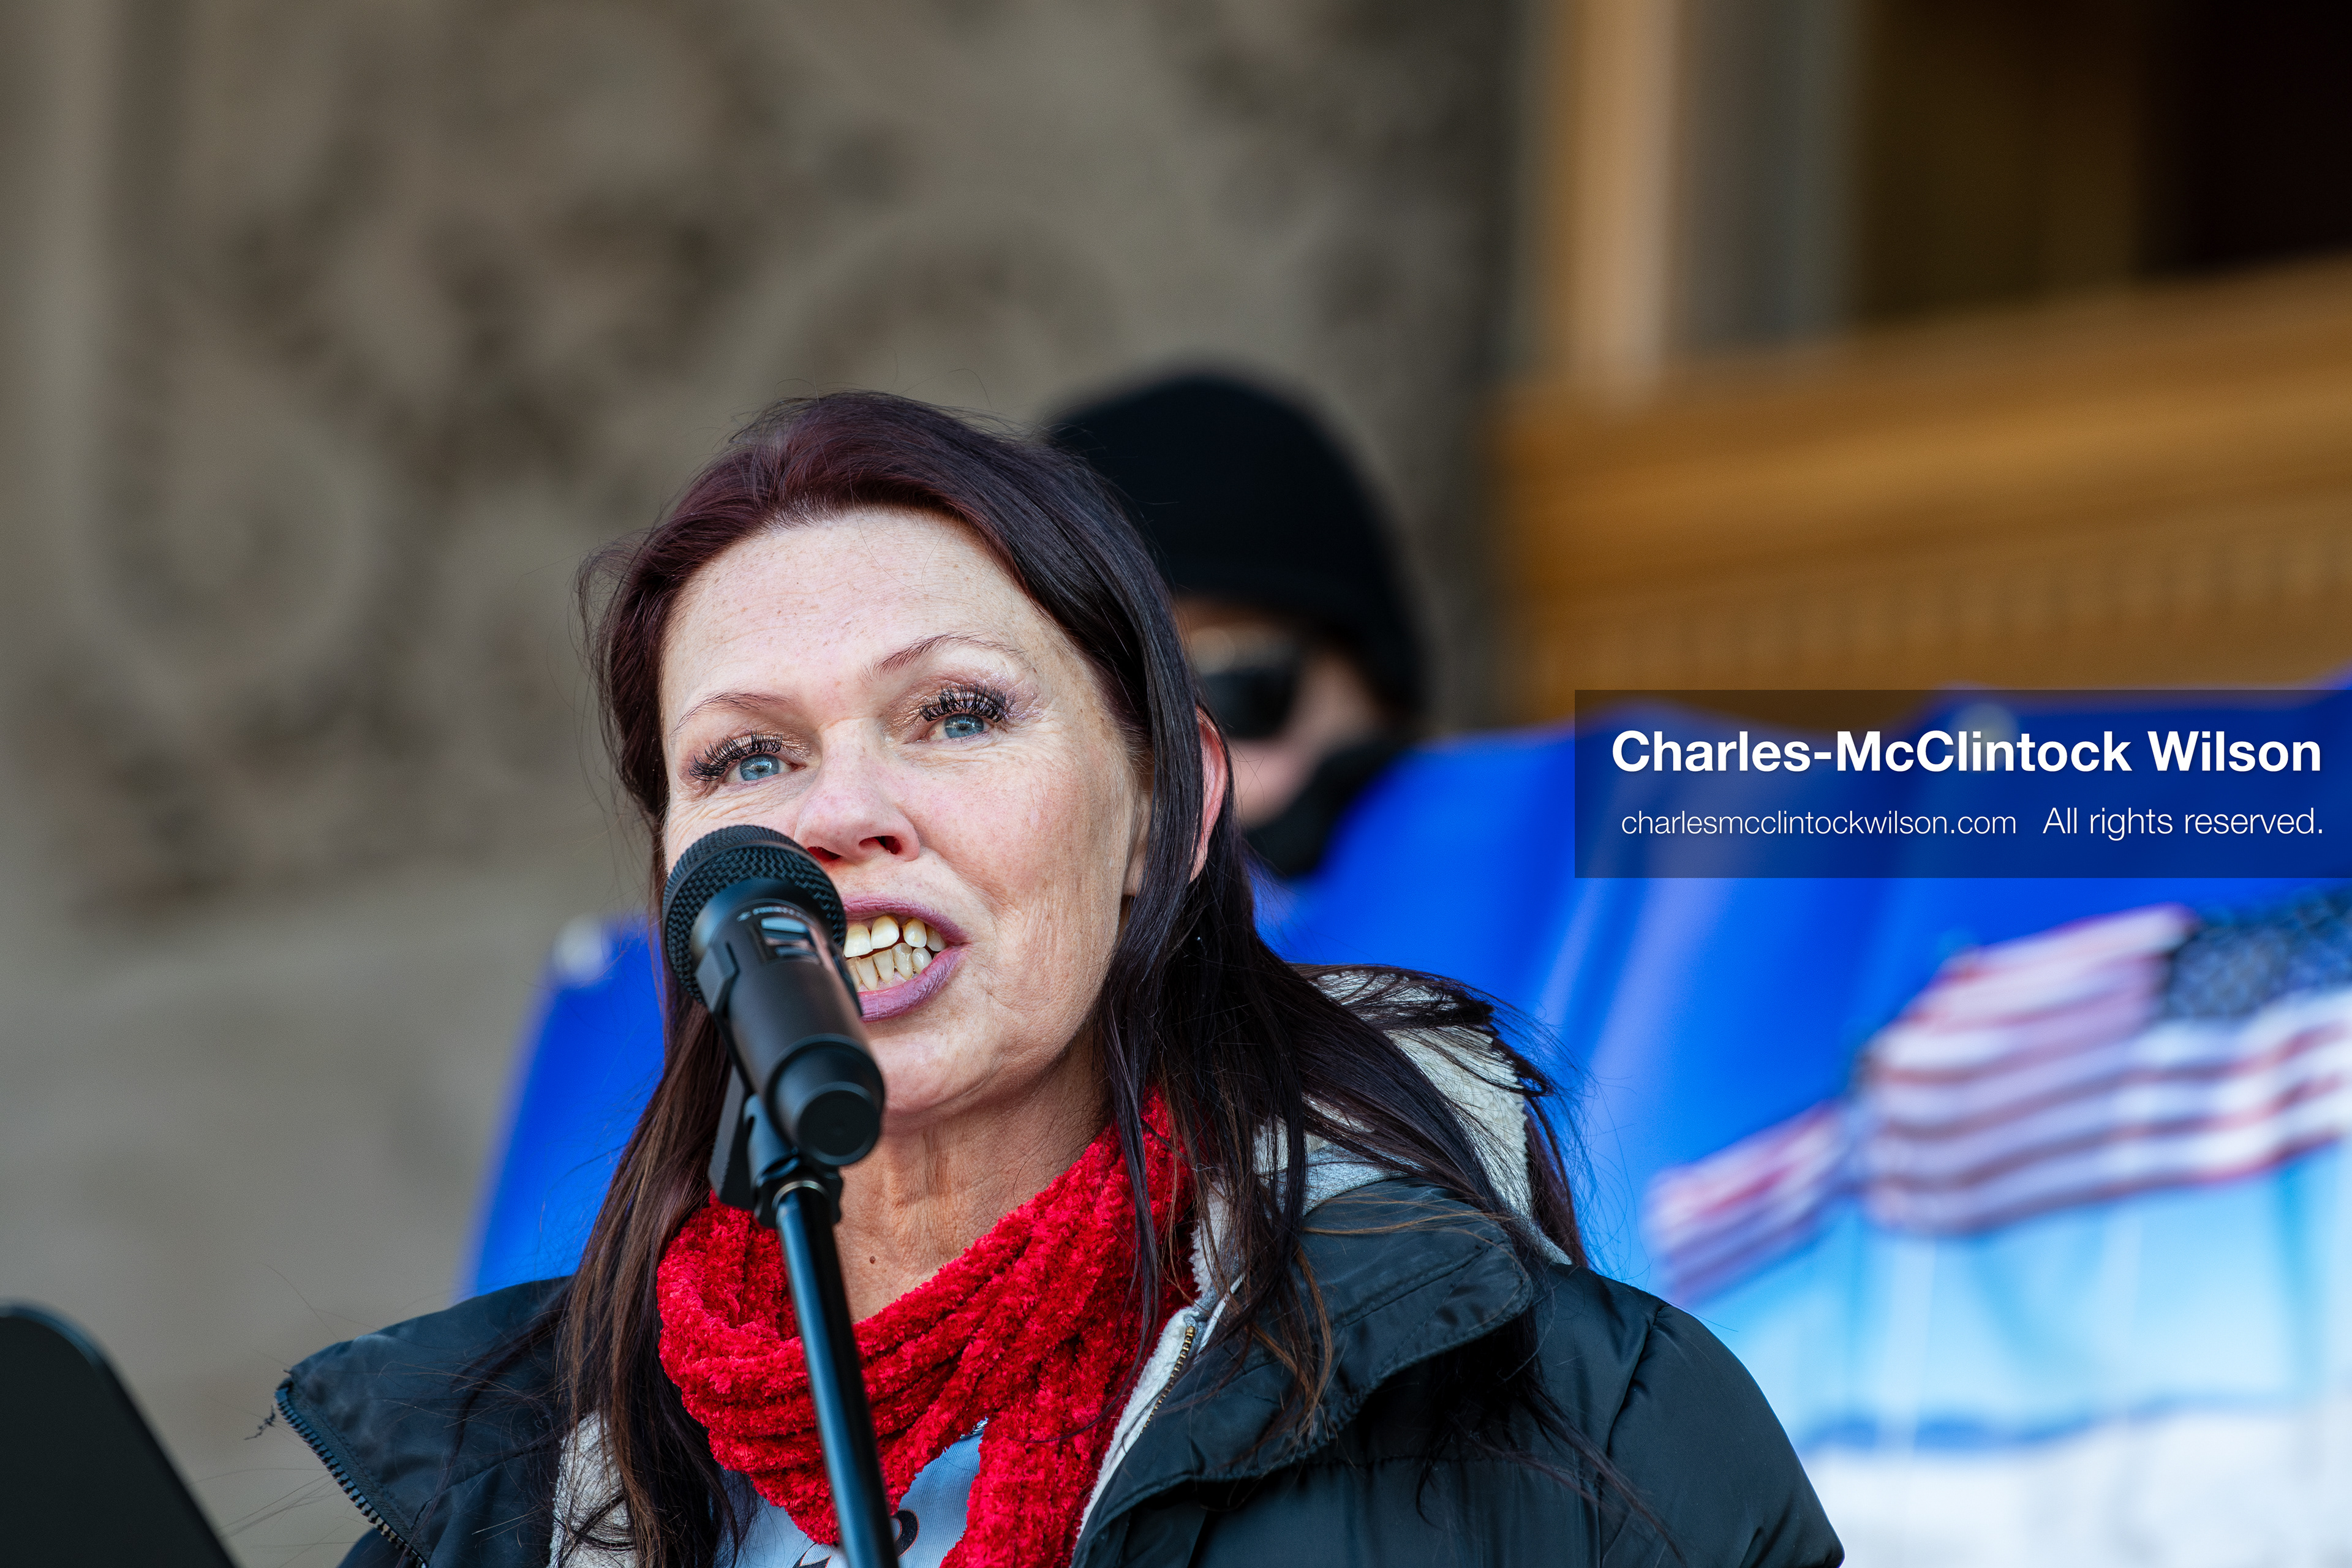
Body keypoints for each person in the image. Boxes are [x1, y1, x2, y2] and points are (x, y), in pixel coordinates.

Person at [282, 393, 1841, 1568]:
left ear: (1166, 808)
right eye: (748, 755)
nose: (837, 816)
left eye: (955, 711)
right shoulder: (482, 1498)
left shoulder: (1593, 1432)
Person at [1049, 372, 1419, 883]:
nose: (1192, 775)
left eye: (1238, 690)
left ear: (1373, 678)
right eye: (1125, 709)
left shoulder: (1568, 823)